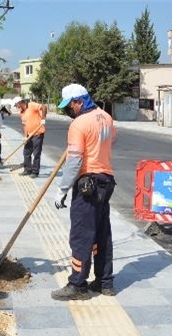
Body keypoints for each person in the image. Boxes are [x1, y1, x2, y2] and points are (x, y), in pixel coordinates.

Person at [51, 84, 117, 301]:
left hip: (88, 184)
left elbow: (75, 160)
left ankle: (77, 284)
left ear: (79, 101)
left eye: (70, 105)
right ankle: (104, 282)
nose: (70, 110)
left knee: (81, 234)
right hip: (106, 181)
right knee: (101, 233)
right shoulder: (106, 117)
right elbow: (110, 140)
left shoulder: (79, 124)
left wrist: (63, 189)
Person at [12, 96, 47, 178]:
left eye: (17, 105)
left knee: (36, 154)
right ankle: (27, 170)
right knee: (26, 152)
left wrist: (43, 118)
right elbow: (25, 126)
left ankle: (35, 172)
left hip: (38, 133)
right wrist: (25, 137)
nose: (17, 107)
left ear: (20, 102)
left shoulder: (31, 105)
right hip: (29, 135)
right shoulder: (22, 112)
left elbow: (44, 107)